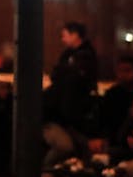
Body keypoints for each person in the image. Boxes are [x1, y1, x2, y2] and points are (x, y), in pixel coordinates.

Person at [42, 21, 99, 167]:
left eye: (64, 35)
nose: (62, 39)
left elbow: (66, 81)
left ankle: (44, 175)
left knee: (72, 147)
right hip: (63, 113)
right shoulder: (70, 54)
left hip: (71, 113)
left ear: (75, 35)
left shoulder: (83, 57)